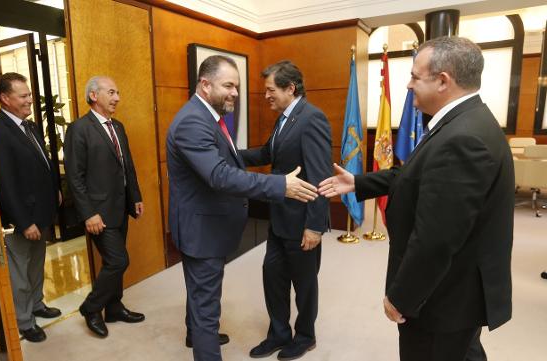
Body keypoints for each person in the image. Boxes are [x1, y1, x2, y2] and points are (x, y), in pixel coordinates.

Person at [319, 36, 514, 361]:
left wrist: (402, 297)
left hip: (441, 299)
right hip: (457, 292)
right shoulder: (463, 121)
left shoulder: (463, 138)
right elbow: (418, 175)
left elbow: (436, 240)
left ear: (442, 81)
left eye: (414, 76)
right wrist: (358, 182)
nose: (408, 85)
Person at [166, 55, 318, 361]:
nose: (236, 92)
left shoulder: (208, 115)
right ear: (205, 85)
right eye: (229, 85)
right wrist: (279, 185)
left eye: (237, 86)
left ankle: (195, 332)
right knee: (206, 307)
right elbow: (219, 174)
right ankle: (201, 339)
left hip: (210, 227)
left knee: (201, 297)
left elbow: (228, 157)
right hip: (202, 230)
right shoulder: (193, 121)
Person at [241, 61, 331, 360]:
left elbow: (320, 176)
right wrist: (230, 154)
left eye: (270, 90)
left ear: (290, 88)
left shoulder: (312, 118)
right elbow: (268, 154)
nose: (265, 95)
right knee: (273, 277)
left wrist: (315, 226)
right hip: (280, 218)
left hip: (302, 220)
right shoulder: (283, 119)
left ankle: (305, 336)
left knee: (304, 285)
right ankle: (279, 333)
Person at [64, 76, 144, 338]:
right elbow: (74, 176)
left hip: (120, 207)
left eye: (118, 91)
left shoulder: (118, 126)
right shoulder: (79, 128)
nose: (117, 97)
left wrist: (135, 197)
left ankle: (114, 306)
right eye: (112, 92)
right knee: (118, 261)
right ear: (94, 95)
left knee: (115, 260)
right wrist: (88, 213)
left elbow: (127, 166)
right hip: (98, 211)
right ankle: (91, 307)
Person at [0, 72, 61, 342]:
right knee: (19, 271)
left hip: (41, 211)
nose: (30, 100)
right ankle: (24, 320)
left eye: (29, 94)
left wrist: (55, 192)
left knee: (36, 265)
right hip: (23, 218)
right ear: (5, 99)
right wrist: (23, 221)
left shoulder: (28, 125)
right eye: (24, 96)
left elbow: (41, 164)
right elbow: (4, 183)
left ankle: (37, 303)